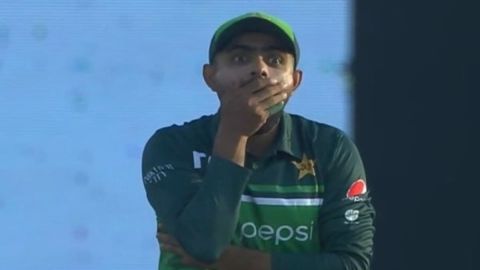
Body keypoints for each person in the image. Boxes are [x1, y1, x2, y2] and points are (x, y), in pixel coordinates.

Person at [142, 11, 375, 270]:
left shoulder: (330, 148)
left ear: (295, 81)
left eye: (275, 60)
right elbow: (205, 245)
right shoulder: (173, 146)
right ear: (211, 77)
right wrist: (234, 133)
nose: (259, 69)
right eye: (240, 58)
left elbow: (352, 263)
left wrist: (242, 262)